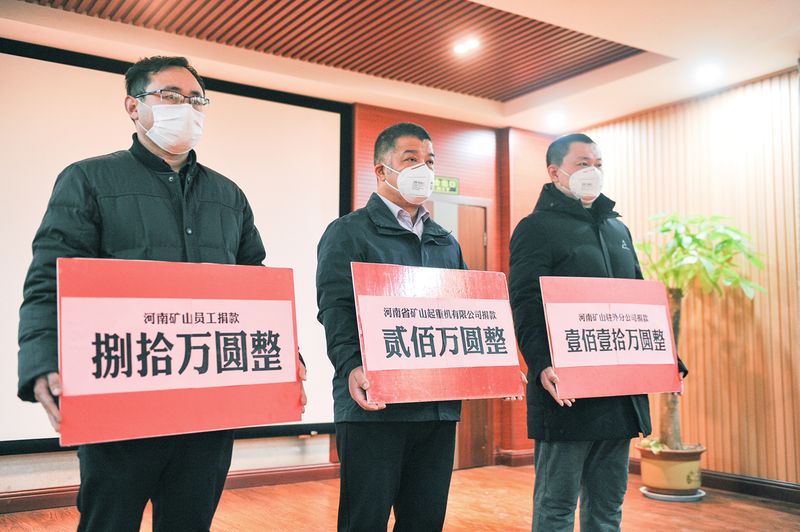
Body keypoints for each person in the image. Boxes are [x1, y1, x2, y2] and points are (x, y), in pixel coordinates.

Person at [17, 56, 276, 532]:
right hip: (121, 398)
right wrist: (41, 360)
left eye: (196, 99)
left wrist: (284, 355)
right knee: (109, 521)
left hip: (208, 403)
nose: (187, 107)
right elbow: (50, 277)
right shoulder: (89, 179)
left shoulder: (229, 195)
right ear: (133, 107)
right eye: (171, 96)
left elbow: (254, 284)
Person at [508, 133, 687, 531]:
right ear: (555, 172)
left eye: (598, 164)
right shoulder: (535, 228)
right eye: (582, 163)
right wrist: (541, 362)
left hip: (620, 395)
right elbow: (525, 301)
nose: (592, 171)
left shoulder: (617, 229)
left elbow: (639, 302)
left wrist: (667, 362)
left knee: (608, 506)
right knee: (556, 505)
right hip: (567, 391)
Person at [316, 122, 467, 531]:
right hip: (374, 407)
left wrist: (496, 362)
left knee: (425, 521)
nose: (424, 169)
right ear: (382, 171)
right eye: (411, 159)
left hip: (436, 408)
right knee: (365, 520)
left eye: (430, 161)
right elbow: (335, 308)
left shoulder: (445, 241)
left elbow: (468, 309)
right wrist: (351, 365)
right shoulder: (349, 233)